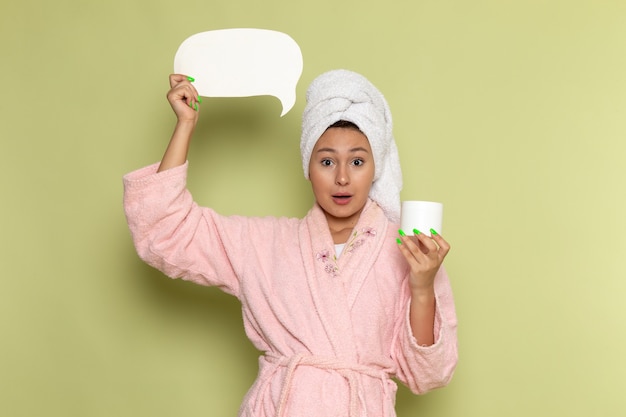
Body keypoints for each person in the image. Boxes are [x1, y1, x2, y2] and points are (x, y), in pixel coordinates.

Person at [123, 69, 457, 417]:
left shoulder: (412, 253)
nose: (342, 177)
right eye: (326, 161)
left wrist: (422, 288)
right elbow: (166, 230)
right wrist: (185, 125)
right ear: (307, 166)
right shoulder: (263, 244)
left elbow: (428, 375)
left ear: (376, 168)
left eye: (357, 161)